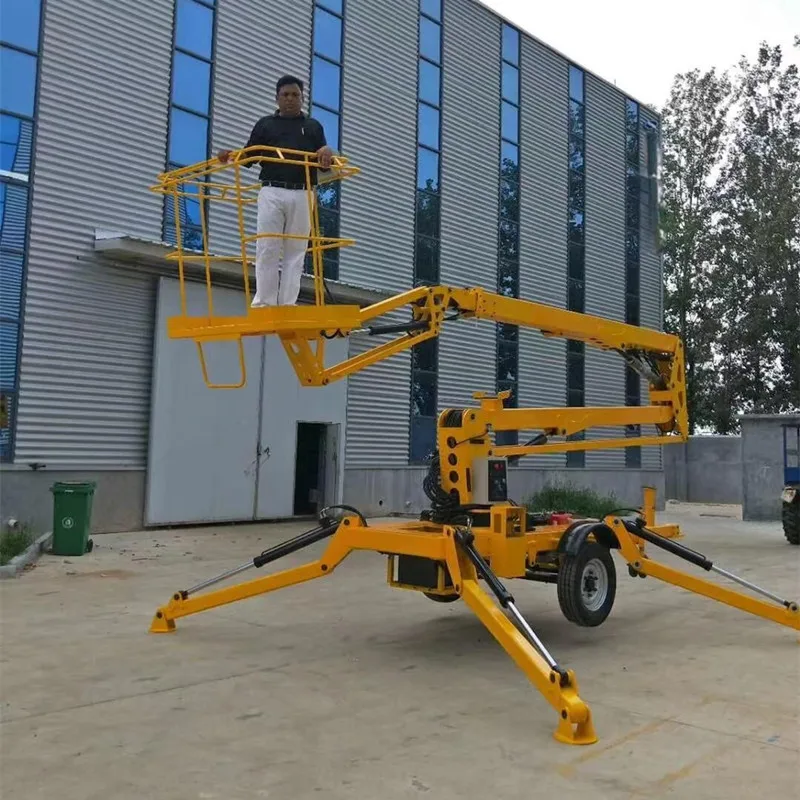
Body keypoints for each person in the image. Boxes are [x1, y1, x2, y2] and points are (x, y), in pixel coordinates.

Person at [218, 75, 333, 307]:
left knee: (296, 250)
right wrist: (229, 156)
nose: (290, 99)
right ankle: (264, 302)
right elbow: (249, 156)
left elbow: (323, 159)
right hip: (272, 190)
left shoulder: (313, 126)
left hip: (303, 192)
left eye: (295, 95)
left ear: (302, 98)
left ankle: (287, 303)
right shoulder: (265, 125)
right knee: (267, 246)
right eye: (285, 95)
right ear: (277, 98)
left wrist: (327, 151)